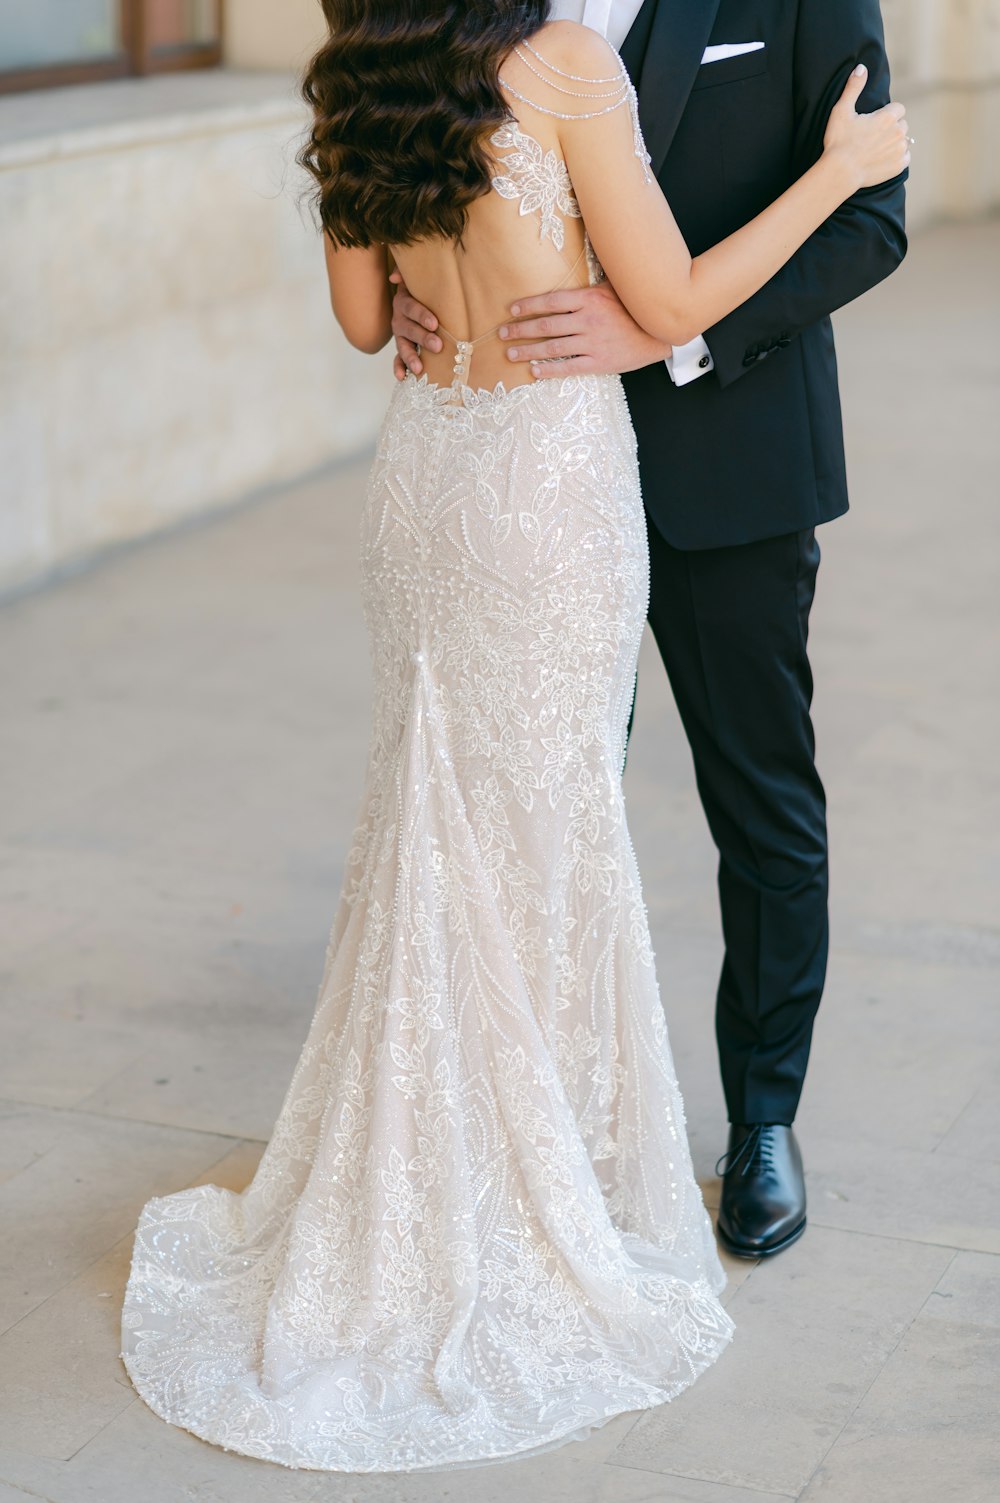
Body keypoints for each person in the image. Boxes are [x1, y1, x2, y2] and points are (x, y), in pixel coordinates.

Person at [119, 0, 909, 1473]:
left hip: (471, 481)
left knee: (548, 816)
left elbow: (365, 321)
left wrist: (444, 295)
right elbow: (662, 291)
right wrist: (834, 168)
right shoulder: (561, 58)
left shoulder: (363, 69)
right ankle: (527, 1176)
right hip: (548, 489)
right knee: (539, 823)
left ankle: (739, 1130)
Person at [391, 0, 909, 1262]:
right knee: (538, 806)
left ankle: (765, 1120)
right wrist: (415, 297)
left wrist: (671, 337)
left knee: (760, 798)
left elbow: (869, 219)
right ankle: (539, 1126)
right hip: (529, 486)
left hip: (724, 462)